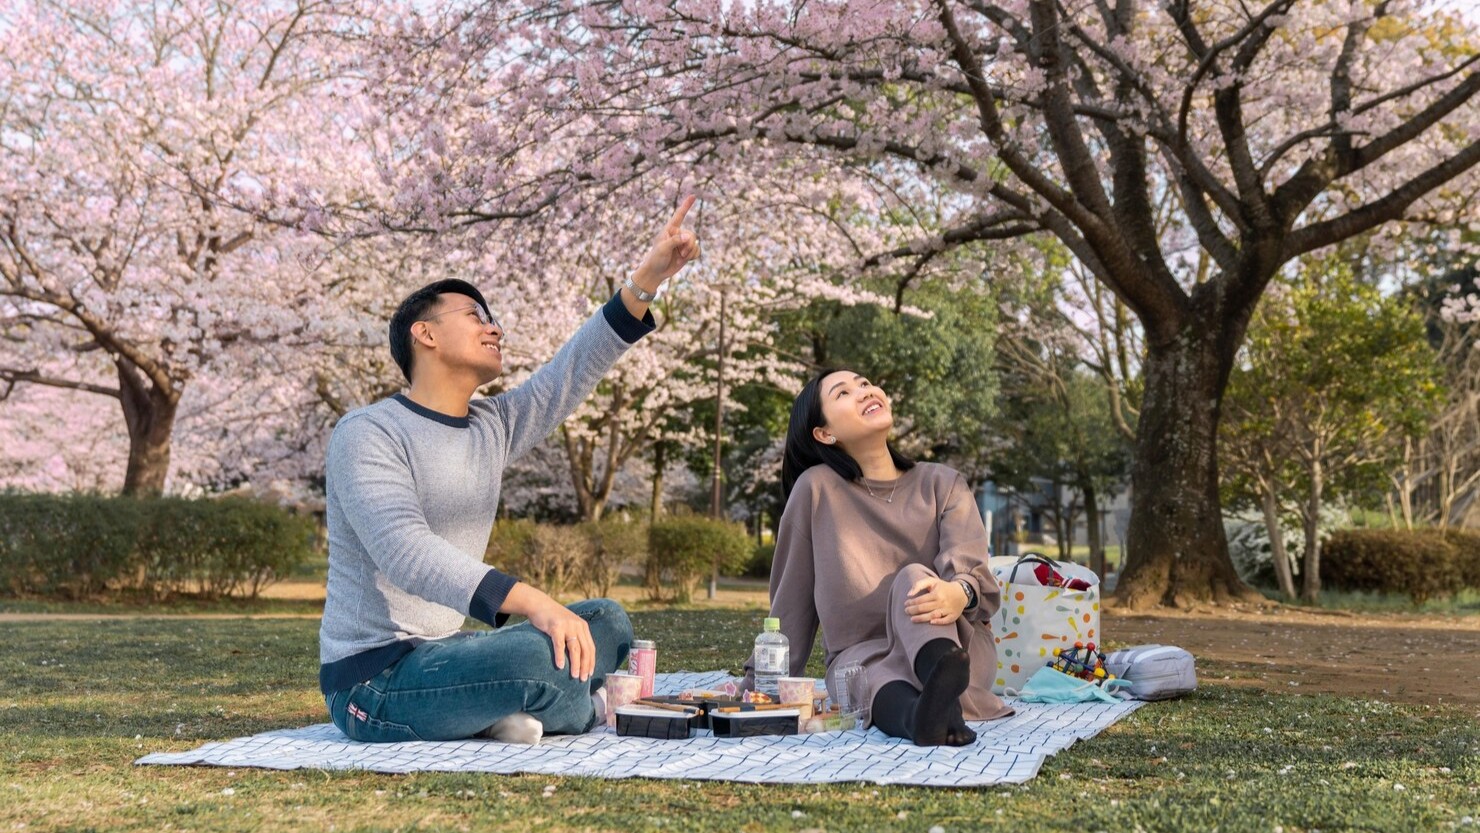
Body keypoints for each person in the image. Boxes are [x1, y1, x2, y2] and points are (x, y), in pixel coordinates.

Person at [318, 197, 701, 744]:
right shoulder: (367, 432)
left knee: (606, 621)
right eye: (475, 317)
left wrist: (649, 277)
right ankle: (580, 707)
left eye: (491, 317)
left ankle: (510, 709)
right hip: (373, 681)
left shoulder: (490, 424)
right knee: (532, 650)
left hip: (444, 654)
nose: (493, 328)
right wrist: (536, 604)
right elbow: (406, 552)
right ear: (423, 335)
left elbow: (570, 373)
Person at [752, 368, 1013, 746]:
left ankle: (939, 671)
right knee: (865, 678)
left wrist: (960, 593)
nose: (864, 391)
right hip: (863, 658)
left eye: (864, 383)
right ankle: (924, 716)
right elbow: (790, 602)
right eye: (843, 393)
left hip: (956, 643)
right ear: (825, 434)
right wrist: (757, 685)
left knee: (913, 578)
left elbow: (972, 572)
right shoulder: (816, 491)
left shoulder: (943, 483)